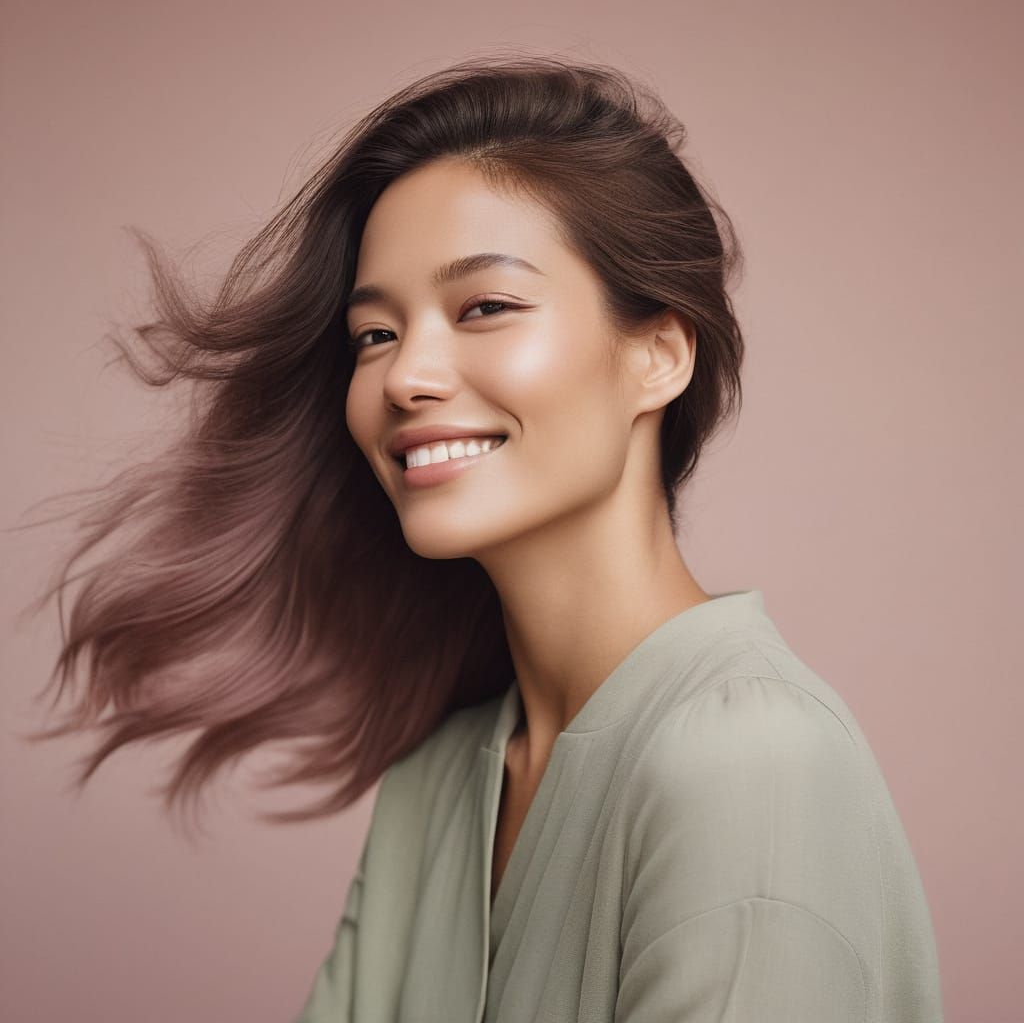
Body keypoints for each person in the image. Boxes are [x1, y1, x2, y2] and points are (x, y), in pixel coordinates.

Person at [26, 55, 944, 1021]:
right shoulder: (439, 779)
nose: (405, 376)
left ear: (658, 354)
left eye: (485, 308)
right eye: (375, 334)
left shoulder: (751, 761)